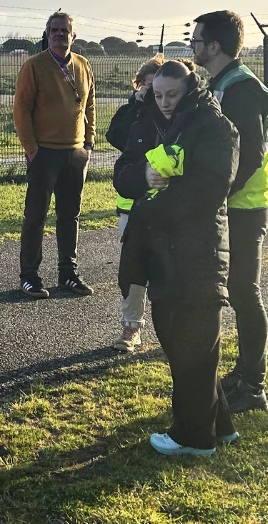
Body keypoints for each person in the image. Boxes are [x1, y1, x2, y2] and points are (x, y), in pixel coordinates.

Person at [114, 59, 240, 455]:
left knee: (193, 344)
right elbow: (121, 172)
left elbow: (210, 191)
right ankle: (220, 426)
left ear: (191, 90)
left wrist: (153, 205)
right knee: (181, 340)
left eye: (173, 95)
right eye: (158, 94)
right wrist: (144, 179)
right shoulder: (148, 121)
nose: (165, 102)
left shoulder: (215, 127)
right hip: (157, 249)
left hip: (197, 252)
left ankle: (193, 437)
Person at [190, 10, 268, 414]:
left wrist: (218, 195)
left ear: (214, 47)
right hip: (234, 204)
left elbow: (251, 156)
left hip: (245, 206)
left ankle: (254, 386)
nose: (192, 46)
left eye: (197, 40)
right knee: (239, 293)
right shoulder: (222, 82)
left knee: (245, 292)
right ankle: (243, 374)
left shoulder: (242, 88)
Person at [13, 11, 97, 299]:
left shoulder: (83, 65)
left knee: (70, 215)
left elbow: (90, 105)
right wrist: (32, 149)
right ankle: (29, 275)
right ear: (46, 34)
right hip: (44, 153)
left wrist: (89, 142)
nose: (60, 34)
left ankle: (68, 273)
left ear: (74, 35)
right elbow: (21, 109)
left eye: (65, 30)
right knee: (35, 216)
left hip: (75, 153)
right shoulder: (34, 66)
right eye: (54, 30)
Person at [105, 54, 164, 352]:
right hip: (132, 205)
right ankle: (131, 327)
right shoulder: (132, 113)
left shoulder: (176, 115)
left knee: (168, 270)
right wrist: (137, 103)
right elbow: (116, 136)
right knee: (133, 269)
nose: (154, 95)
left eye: (159, 88)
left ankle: (173, 327)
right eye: (147, 86)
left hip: (168, 207)